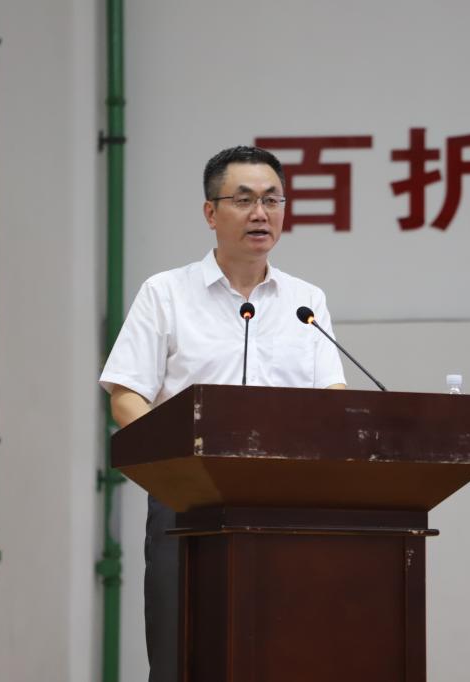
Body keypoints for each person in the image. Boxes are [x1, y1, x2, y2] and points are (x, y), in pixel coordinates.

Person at [98, 145, 347, 682]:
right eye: (244, 199)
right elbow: (126, 395)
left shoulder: (306, 301)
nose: (261, 213)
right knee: (185, 655)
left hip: (288, 504)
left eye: (273, 200)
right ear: (211, 213)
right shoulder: (166, 293)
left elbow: (331, 394)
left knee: (284, 655)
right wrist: (177, 466)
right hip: (188, 501)